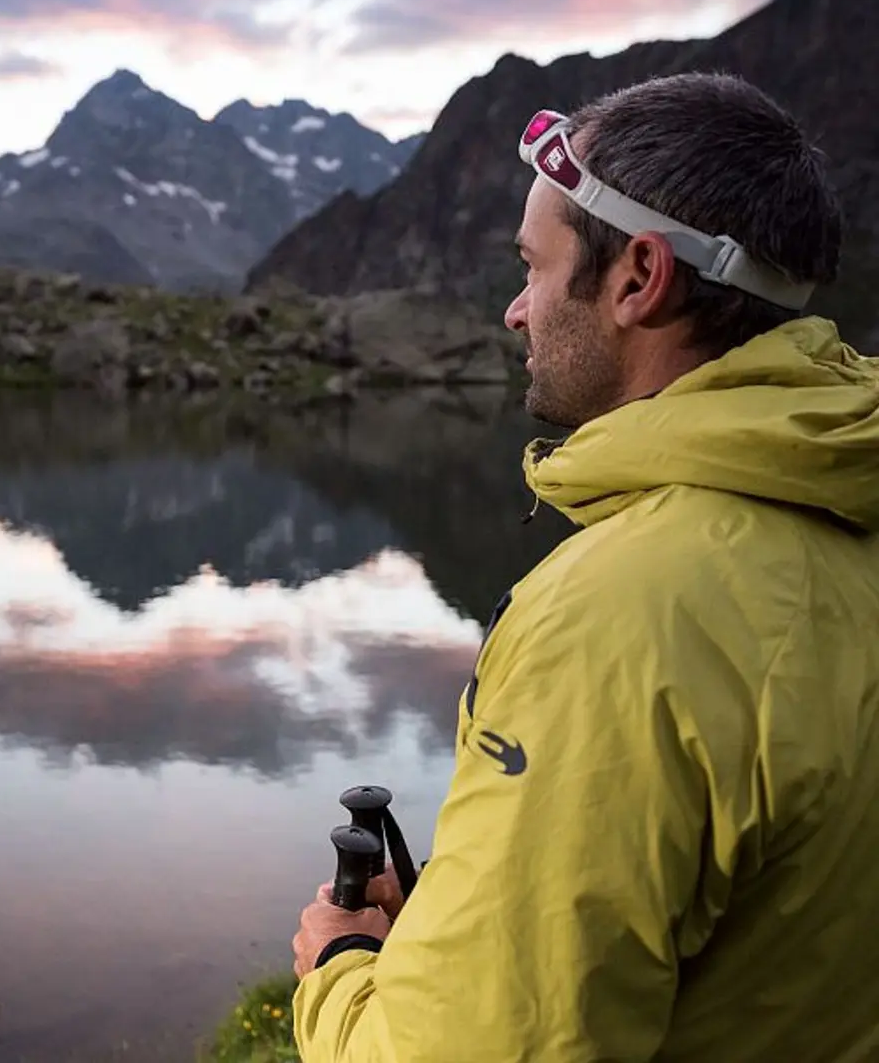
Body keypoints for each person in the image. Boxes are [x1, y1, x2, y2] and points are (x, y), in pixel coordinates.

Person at [289, 71, 879, 1061]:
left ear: (638, 278)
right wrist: (462, 929)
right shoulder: (852, 508)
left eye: (534, 267)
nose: (516, 311)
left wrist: (343, 973)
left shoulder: (617, 621)